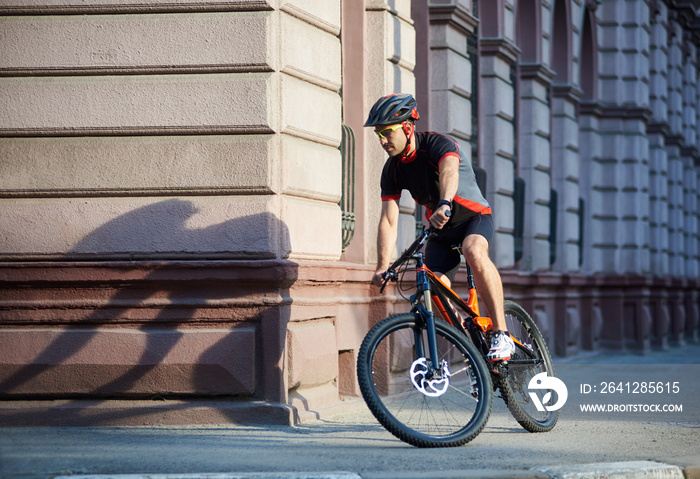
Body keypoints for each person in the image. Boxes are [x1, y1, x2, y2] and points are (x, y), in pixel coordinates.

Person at [366, 93, 515, 361]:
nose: (382, 140)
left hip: (473, 218)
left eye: (387, 132)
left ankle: (502, 335)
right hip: (441, 232)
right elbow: (389, 218)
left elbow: (449, 170)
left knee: (473, 250)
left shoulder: (436, 144)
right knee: (433, 287)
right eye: (378, 134)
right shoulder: (392, 170)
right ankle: (474, 353)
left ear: (408, 127)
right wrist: (382, 265)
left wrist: (445, 203)